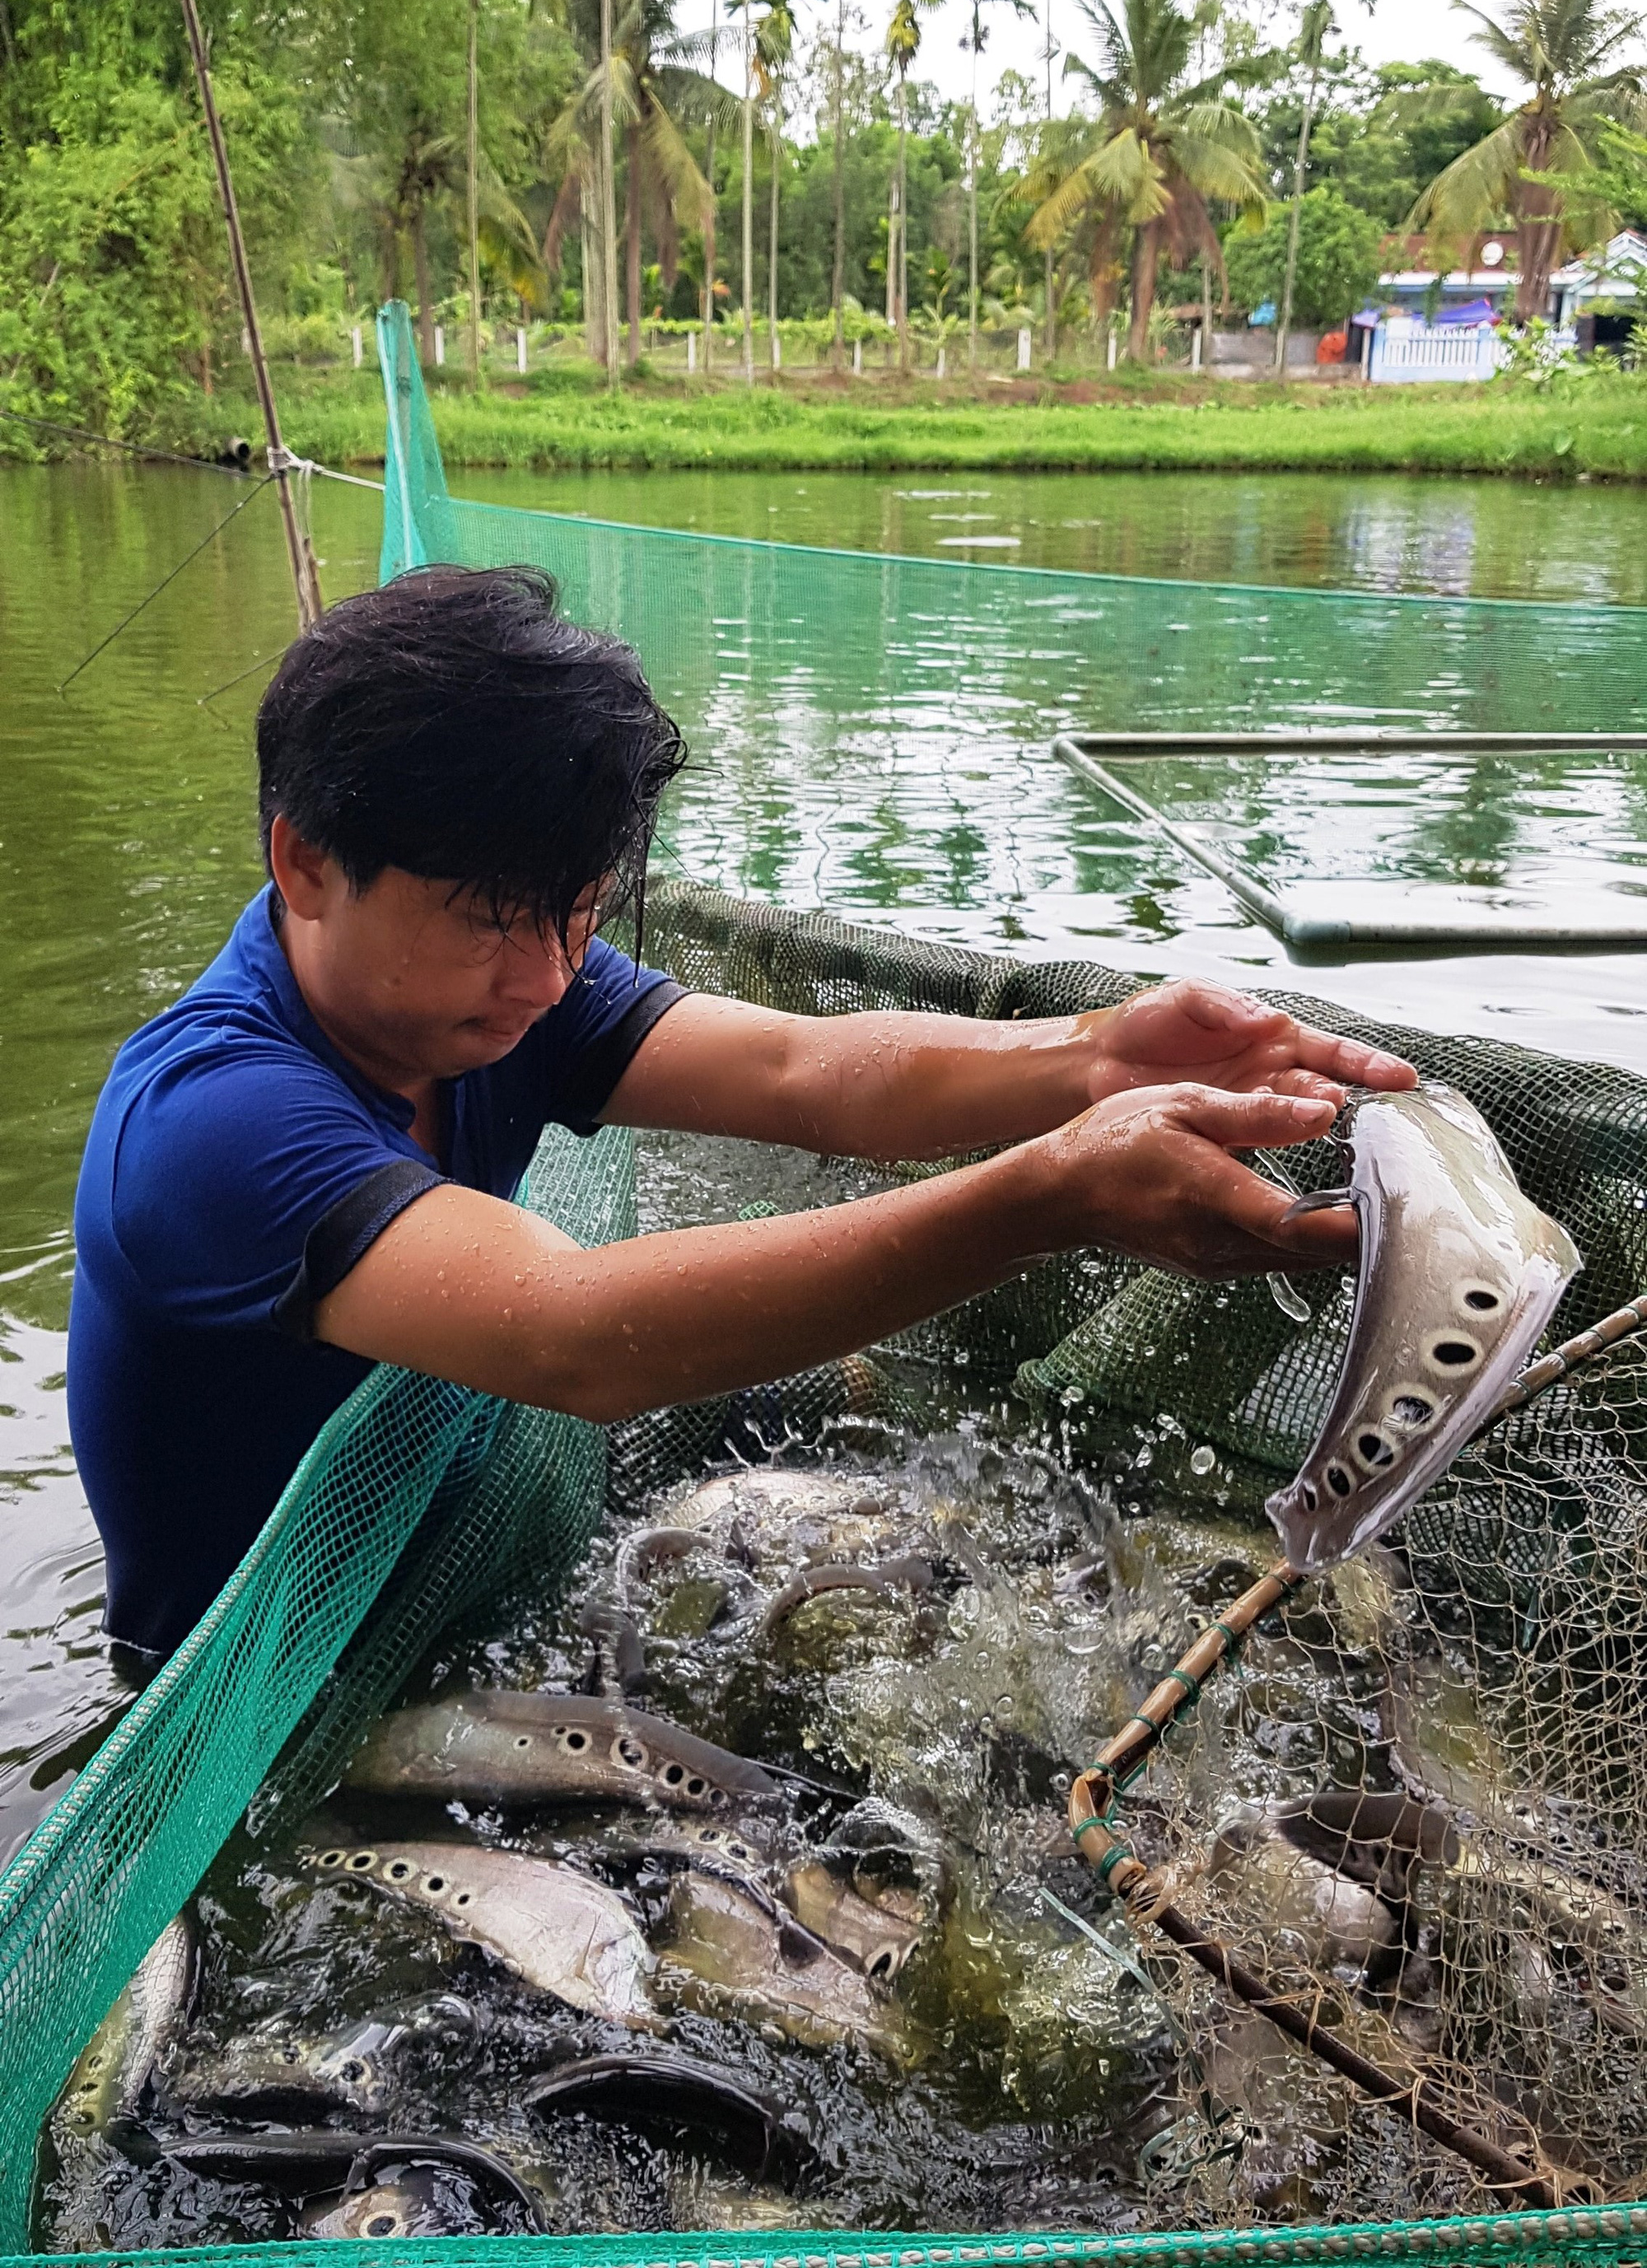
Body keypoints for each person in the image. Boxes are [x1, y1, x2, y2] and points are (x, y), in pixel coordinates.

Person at [68, 565, 1415, 1661]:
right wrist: (1048, 1194)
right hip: (253, 1705)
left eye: (580, 913)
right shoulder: (211, 1123)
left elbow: (802, 1071)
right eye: (490, 919)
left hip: (449, 1576)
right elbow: (574, 1333)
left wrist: (1090, 1053)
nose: (547, 976)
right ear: (306, 861)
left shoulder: (494, 989)